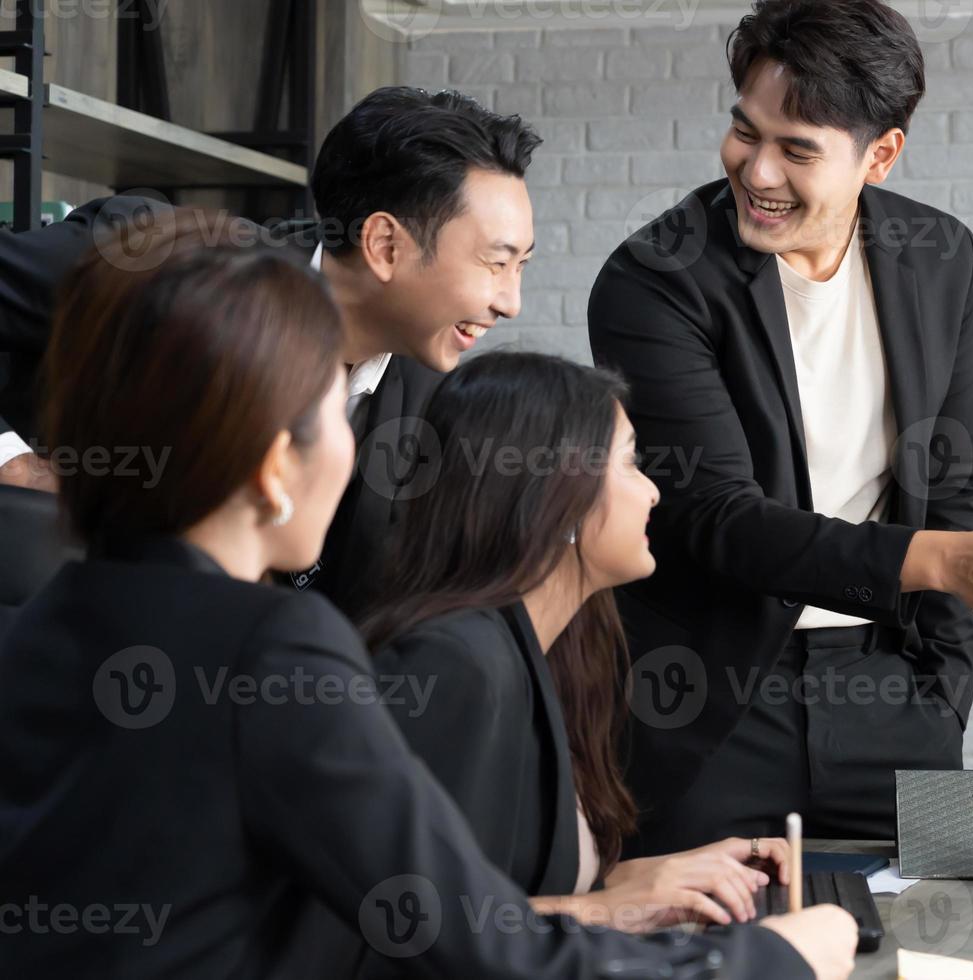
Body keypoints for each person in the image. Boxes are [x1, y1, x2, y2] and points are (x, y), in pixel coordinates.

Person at [0, 227, 856, 980]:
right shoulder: (273, 648)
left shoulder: (40, 624)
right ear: (272, 466)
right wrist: (773, 957)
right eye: (337, 415)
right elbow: (485, 952)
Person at [588, 0, 973, 853]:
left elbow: (951, 480)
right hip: (708, 712)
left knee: (930, 940)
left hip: (891, 698)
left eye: (798, 149)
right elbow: (717, 517)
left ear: (881, 155)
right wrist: (945, 566)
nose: (759, 171)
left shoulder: (942, 257)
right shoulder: (654, 278)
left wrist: (940, 690)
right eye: (746, 132)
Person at [0, 85, 538, 608]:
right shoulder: (159, 263)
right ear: (385, 245)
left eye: (521, 266)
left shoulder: (431, 398)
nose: (510, 302)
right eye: (495, 262)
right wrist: (13, 462)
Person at [355, 351, 798, 919]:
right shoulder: (453, 666)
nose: (653, 492)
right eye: (631, 463)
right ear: (555, 496)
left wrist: (664, 876)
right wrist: (612, 911)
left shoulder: (550, 647)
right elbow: (415, 925)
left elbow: (518, 881)